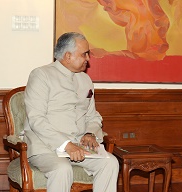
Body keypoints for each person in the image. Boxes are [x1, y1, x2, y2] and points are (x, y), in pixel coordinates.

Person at [23, 32, 119, 192]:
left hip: (79, 146)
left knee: (110, 162)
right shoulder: (41, 75)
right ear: (68, 56)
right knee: (62, 169)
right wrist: (66, 145)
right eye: (84, 54)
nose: (88, 59)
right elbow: (36, 119)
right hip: (46, 147)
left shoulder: (85, 80)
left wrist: (90, 133)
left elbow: (92, 115)